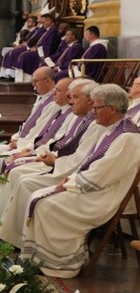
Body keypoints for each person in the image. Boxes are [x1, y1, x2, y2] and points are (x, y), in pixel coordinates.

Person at [20, 84, 140, 278]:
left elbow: (102, 175)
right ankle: (38, 259)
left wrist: (71, 182)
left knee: (46, 205)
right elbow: (95, 166)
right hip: (94, 187)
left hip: (103, 196)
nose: (93, 112)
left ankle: (59, 265)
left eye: (96, 108)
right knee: (38, 197)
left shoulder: (127, 137)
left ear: (111, 109)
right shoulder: (114, 129)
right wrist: (72, 178)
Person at [0, 79, 101, 249]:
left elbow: (82, 159)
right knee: (16, 172)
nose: (71, 101)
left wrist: (54, 161)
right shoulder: (85, 119)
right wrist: (44, 154)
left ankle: (15, 237)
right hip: (60, 163)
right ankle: (3, 225)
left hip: (69, 173)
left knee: (23, 180)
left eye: (74, 97)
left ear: (90, 100)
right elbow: (60, 141)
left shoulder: (95, 124)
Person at [0, 77, 75, 213]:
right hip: (40, 151)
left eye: (58, 90)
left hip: (52, 161)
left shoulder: (69, 113)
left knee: (12, 168)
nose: (54, 93)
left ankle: (2, 213)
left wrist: (30, 150)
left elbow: (56, 142)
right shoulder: (61, 110)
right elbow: (36, 129)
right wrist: (20, 140)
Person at [14, 14, 60, 82]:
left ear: (49, 21)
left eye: (43, 22)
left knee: (24, 56)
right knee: (23, 55)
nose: (42, 24)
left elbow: (49, 45)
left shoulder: (53, 30)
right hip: (40, 50)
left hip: (45, 53)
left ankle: (25, 80)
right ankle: (21, 79)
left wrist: (37, 49)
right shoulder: (48, 29)